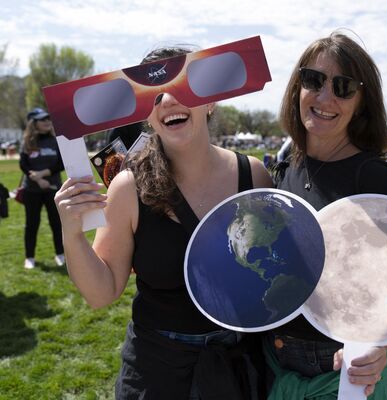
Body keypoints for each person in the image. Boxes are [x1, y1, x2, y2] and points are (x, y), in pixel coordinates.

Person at [54, 46, 273, 399]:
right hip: (156, 372)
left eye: (184, 86)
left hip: (239, 367)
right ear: (146, 115)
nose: (168, 99)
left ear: (211, 101)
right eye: (153, 96)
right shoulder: (128, 187)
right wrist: (72, 233)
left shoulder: (255, 175)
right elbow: (101, 292)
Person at [269, 32, 387, 399]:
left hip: (349, 375)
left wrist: (379, 345)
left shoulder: (378, 179)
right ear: (297, 89)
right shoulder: (285, 171)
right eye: (313, 80)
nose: (324, 97)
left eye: (343, 87)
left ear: (361, 103)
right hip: (278, 368)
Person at [19, 108, 65, 269]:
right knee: (31, 224)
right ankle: (29, 257)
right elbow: (23, 165)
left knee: (56, 223)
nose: (47, 121)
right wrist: (38, 180)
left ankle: (60, 254)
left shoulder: (56, 140)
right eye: (42, 119)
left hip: (53, 189)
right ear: (33, 123)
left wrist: (42, 174)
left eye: (48, 118)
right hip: (32, 190)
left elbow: (61, 163)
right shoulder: (26, 142)